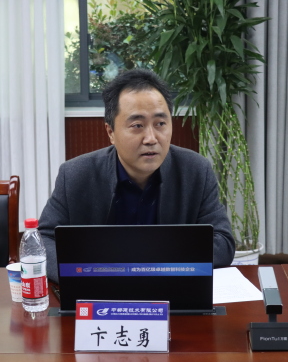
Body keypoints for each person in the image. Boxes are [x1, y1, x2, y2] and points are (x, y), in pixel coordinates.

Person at [39, 69, 235, 282]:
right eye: (137, 126)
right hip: (100, 289)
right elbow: (43, 241)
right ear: (111, 132)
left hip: (170, 289)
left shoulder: (196, 171)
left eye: (160, 124)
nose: (151, 138)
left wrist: (150, 264)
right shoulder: (75, 175)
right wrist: (91, 273)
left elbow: (223, 242)